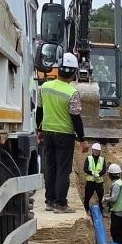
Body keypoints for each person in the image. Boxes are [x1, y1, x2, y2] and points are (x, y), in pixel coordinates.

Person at [38, 52, 87, 212]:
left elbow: (39, 110)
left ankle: (49, 201)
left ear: (58, 69)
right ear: (73, 73)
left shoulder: (45, 87)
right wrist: (82, 139)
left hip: (47, 131)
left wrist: (39, 129)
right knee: (63, 169)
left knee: (50, 167)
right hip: (64, 134)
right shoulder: (72, 92)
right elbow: (76, 118)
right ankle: (60, 204)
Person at [106, 162, 122, 244]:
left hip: (118, 213)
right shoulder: (120, 182)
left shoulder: (116, 185)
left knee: (115, 232)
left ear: (111, 175)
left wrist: (105, 199)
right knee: (117, 231)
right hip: (120, 212)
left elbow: (114, 199)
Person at [82, 143, 107, 212]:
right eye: (95, 150)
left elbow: (104, 170)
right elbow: (85, 169)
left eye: (98, 150)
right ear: (92, 150)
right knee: (87, 197)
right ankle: (86, 209)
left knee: (100, 197)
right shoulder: (88, 158)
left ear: (100, 151)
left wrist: (99, 174)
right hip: (90, 182)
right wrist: (92, 173)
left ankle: (101, 209)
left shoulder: (102, 159)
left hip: (99, 182)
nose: (96, 152)